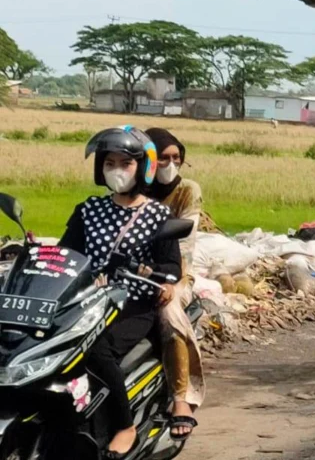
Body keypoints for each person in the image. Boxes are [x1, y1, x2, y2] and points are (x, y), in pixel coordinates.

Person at [59, 127, 180, 459]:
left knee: (94, 348)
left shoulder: (157, 215)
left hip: (132, 303)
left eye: (125, 163)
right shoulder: (88, 210)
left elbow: (172, 266)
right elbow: (66, 254)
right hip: (87, 302)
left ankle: (124, 426)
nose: (116, 170)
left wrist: (161, 280)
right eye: (109, 162)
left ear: (141, 168)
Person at [144, 128, 205, 440]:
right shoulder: (133, 186)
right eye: (162, 158)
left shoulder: (186, 191)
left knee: (168, 312)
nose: (170, 164)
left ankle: (181, 398)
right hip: (132, 272)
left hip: (176, 272)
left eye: (176, 158)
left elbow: (185, 246)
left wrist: (167, 280)